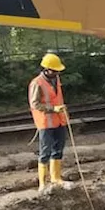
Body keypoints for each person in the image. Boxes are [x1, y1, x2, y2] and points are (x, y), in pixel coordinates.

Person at [29, 53, 68, 194]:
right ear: (46, 69)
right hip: (45, 123)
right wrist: (52, 109)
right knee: (45, 152)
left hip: (59, 120)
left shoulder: (56, 79)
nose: (56, 72)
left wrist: (61, 109)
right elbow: (35, 104)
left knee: (58, 149)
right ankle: (42, 183)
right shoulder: (37, 83)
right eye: (54, 70)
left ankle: (56, 178)